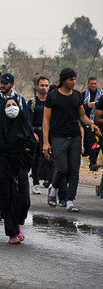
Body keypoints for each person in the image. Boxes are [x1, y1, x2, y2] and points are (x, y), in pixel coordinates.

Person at [44, 68, 101, 212]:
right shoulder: (53, 96)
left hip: (75, 136)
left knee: (75, 170)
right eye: (71, 80)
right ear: (64, 80)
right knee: (62, 168)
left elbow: (82, 116)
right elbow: (46, 119)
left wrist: (92, 124)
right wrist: (46, 142)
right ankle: (53, 188)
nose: (74, 82)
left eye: (75, 79)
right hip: (58, 137)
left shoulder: (76, 96)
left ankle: (70, 201)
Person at [0, 73, 29, 203]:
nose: (1, 85)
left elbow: (25, 119)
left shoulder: (20, 100)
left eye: (4, 83)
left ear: (12, 85)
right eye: (0, 82)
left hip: (16, 139)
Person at [0, 98, 34, 244]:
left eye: (14, 105)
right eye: (8, 106)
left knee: (24, 200)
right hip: (5, 168)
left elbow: (31, 144)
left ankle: (18, 222)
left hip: (21, 167)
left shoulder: (24, 125)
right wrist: (20, 146)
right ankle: (13, 232)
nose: (12, 108)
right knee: (8, 199)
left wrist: (24, 149)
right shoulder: (1, 127)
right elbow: (0, 146)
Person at [83, 77, 102, 171]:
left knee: (97, 144)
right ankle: (93, 162)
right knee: (92, 142)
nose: (93, 85)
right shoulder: (84, 95)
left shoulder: (101, 95)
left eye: (95, 83)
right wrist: (87, 105)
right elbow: (80, 107)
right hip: (88, 123)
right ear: (88, 84)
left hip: (98, 123)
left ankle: (92, 161)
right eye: (91, 84)